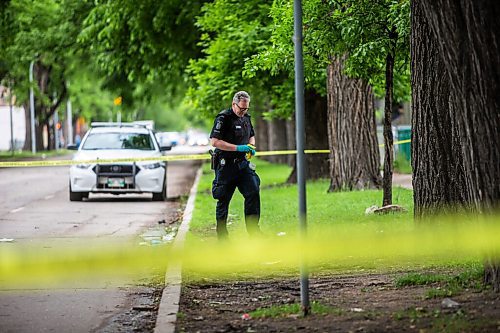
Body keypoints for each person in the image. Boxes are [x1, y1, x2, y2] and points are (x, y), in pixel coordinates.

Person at [209, 91, 262, 239]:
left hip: (243, 165)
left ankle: (254, 232)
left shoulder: (246, 118)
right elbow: (215, 142)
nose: (243, 111)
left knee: (253, 192)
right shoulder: (223, 118)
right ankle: (222, 236)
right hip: (226, 166)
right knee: (223, 199)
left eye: (246, 109)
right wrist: (238, 148)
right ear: (234, 104)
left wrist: (251, 147)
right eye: (241, 108)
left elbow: (251, 134)